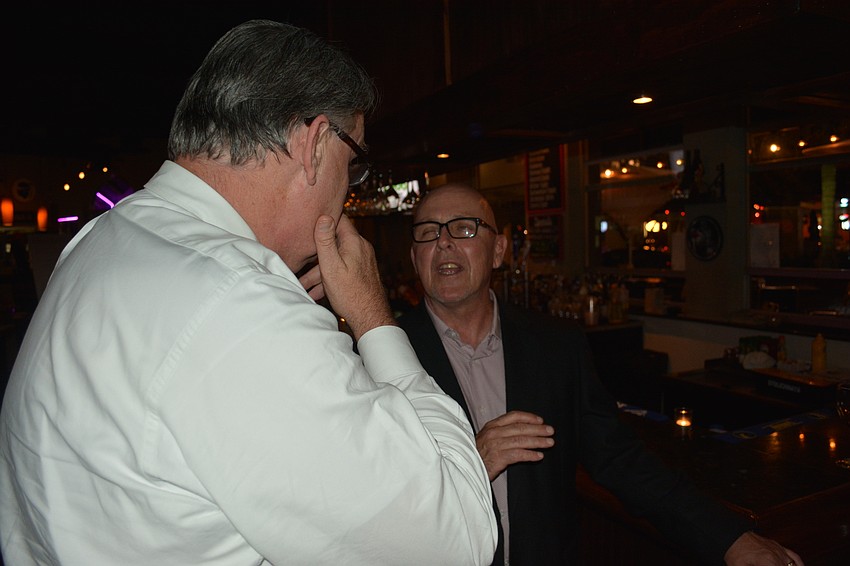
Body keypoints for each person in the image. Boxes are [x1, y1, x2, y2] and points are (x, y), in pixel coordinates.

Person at [0, 21, 497, 565]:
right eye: (352, 163)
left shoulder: (101, 239)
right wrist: (372, 318)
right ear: (314, 144)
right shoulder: (239, 303)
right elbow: (457, 540)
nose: (346, 190)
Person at [398, 182, 804, 566]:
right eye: (428, 232)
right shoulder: (384, 358)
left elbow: (618, 457)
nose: (444, 242)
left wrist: (729, 539)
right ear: (415, 258)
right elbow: (377, 503)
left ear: (499, 250)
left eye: (464, 228)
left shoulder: (555, 345)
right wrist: (471, 464)